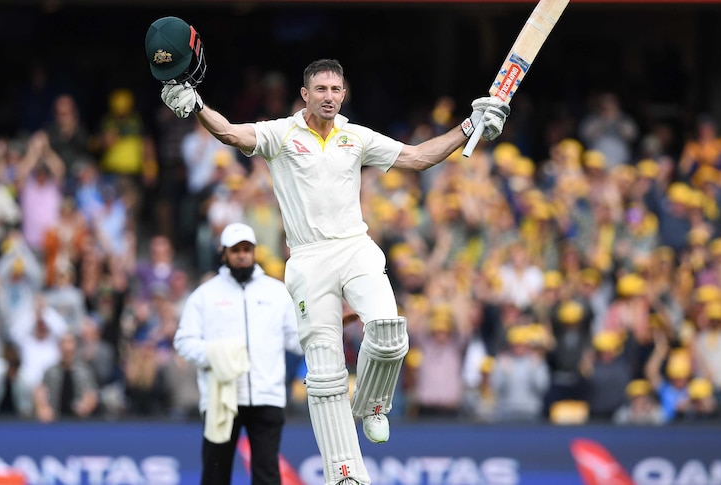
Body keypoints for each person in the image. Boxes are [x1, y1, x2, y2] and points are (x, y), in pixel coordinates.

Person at [148, 16, 509, 485]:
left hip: (355, 248)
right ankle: (346, 473)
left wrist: (469, 125)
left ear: (344, 93)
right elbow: (232, 133)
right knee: (323, 374)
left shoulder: (355, 137)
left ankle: (375, 403)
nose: (329, 96)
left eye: (336, 89)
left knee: (388, 331)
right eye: (321, 88)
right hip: (308, 258)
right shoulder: (282, 134)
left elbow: (418, 157)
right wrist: (197, 106)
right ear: (305, 94)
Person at [173, 222, 302, 485]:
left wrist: (322, 329)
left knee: (267, 474)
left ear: (254, 251)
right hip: (222, 397)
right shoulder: (205, 295)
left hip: (267, 394)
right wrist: (219, 356)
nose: (242, 255)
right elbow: (184, 341)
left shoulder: (277, 292)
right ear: (224, 253)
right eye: (235, 250)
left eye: (246, 249)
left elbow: (295, 341)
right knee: (215, 473)